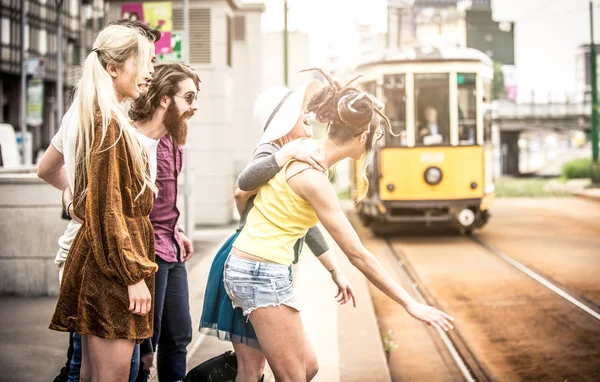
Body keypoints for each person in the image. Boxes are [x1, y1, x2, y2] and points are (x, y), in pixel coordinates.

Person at [223, 69, 455, 381]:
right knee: (292, 377)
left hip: (261, 268)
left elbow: (300, 220)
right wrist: (410, 303)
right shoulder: (313, 173)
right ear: (362, 139)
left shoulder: (311, 154)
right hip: (259, 272)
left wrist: (333, 270)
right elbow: (357, 254)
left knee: (308, 368)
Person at [192, 80, 356, 382]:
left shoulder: (296, 157)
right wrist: (252, 220)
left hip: (263, 266)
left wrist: (335, 270)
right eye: (301, 111)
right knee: (253, 369)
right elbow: (242, 186)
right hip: (251, 263)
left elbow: (305, 224)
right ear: (283, 120)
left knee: (302, 367)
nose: (308, 115)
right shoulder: (271, 151)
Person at [37, 20, 160, 382]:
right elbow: (109, 210)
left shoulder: (98, 116)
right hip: (112, 270)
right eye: (144, 63)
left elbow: (92, 198)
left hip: (100, 261)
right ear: (113, 68)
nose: (150, 74)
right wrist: (132, 276)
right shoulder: (108, 123)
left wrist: (73, 197)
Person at [128, 62, 201, 382]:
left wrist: (178, 230)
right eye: (188, 97)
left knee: (179, 336)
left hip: (170, 247)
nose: (194, 106)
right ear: (164, 99)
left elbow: (165, 196)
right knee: (144, 346)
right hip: (146, 253)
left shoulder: (173, 138)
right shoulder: (132, 139)